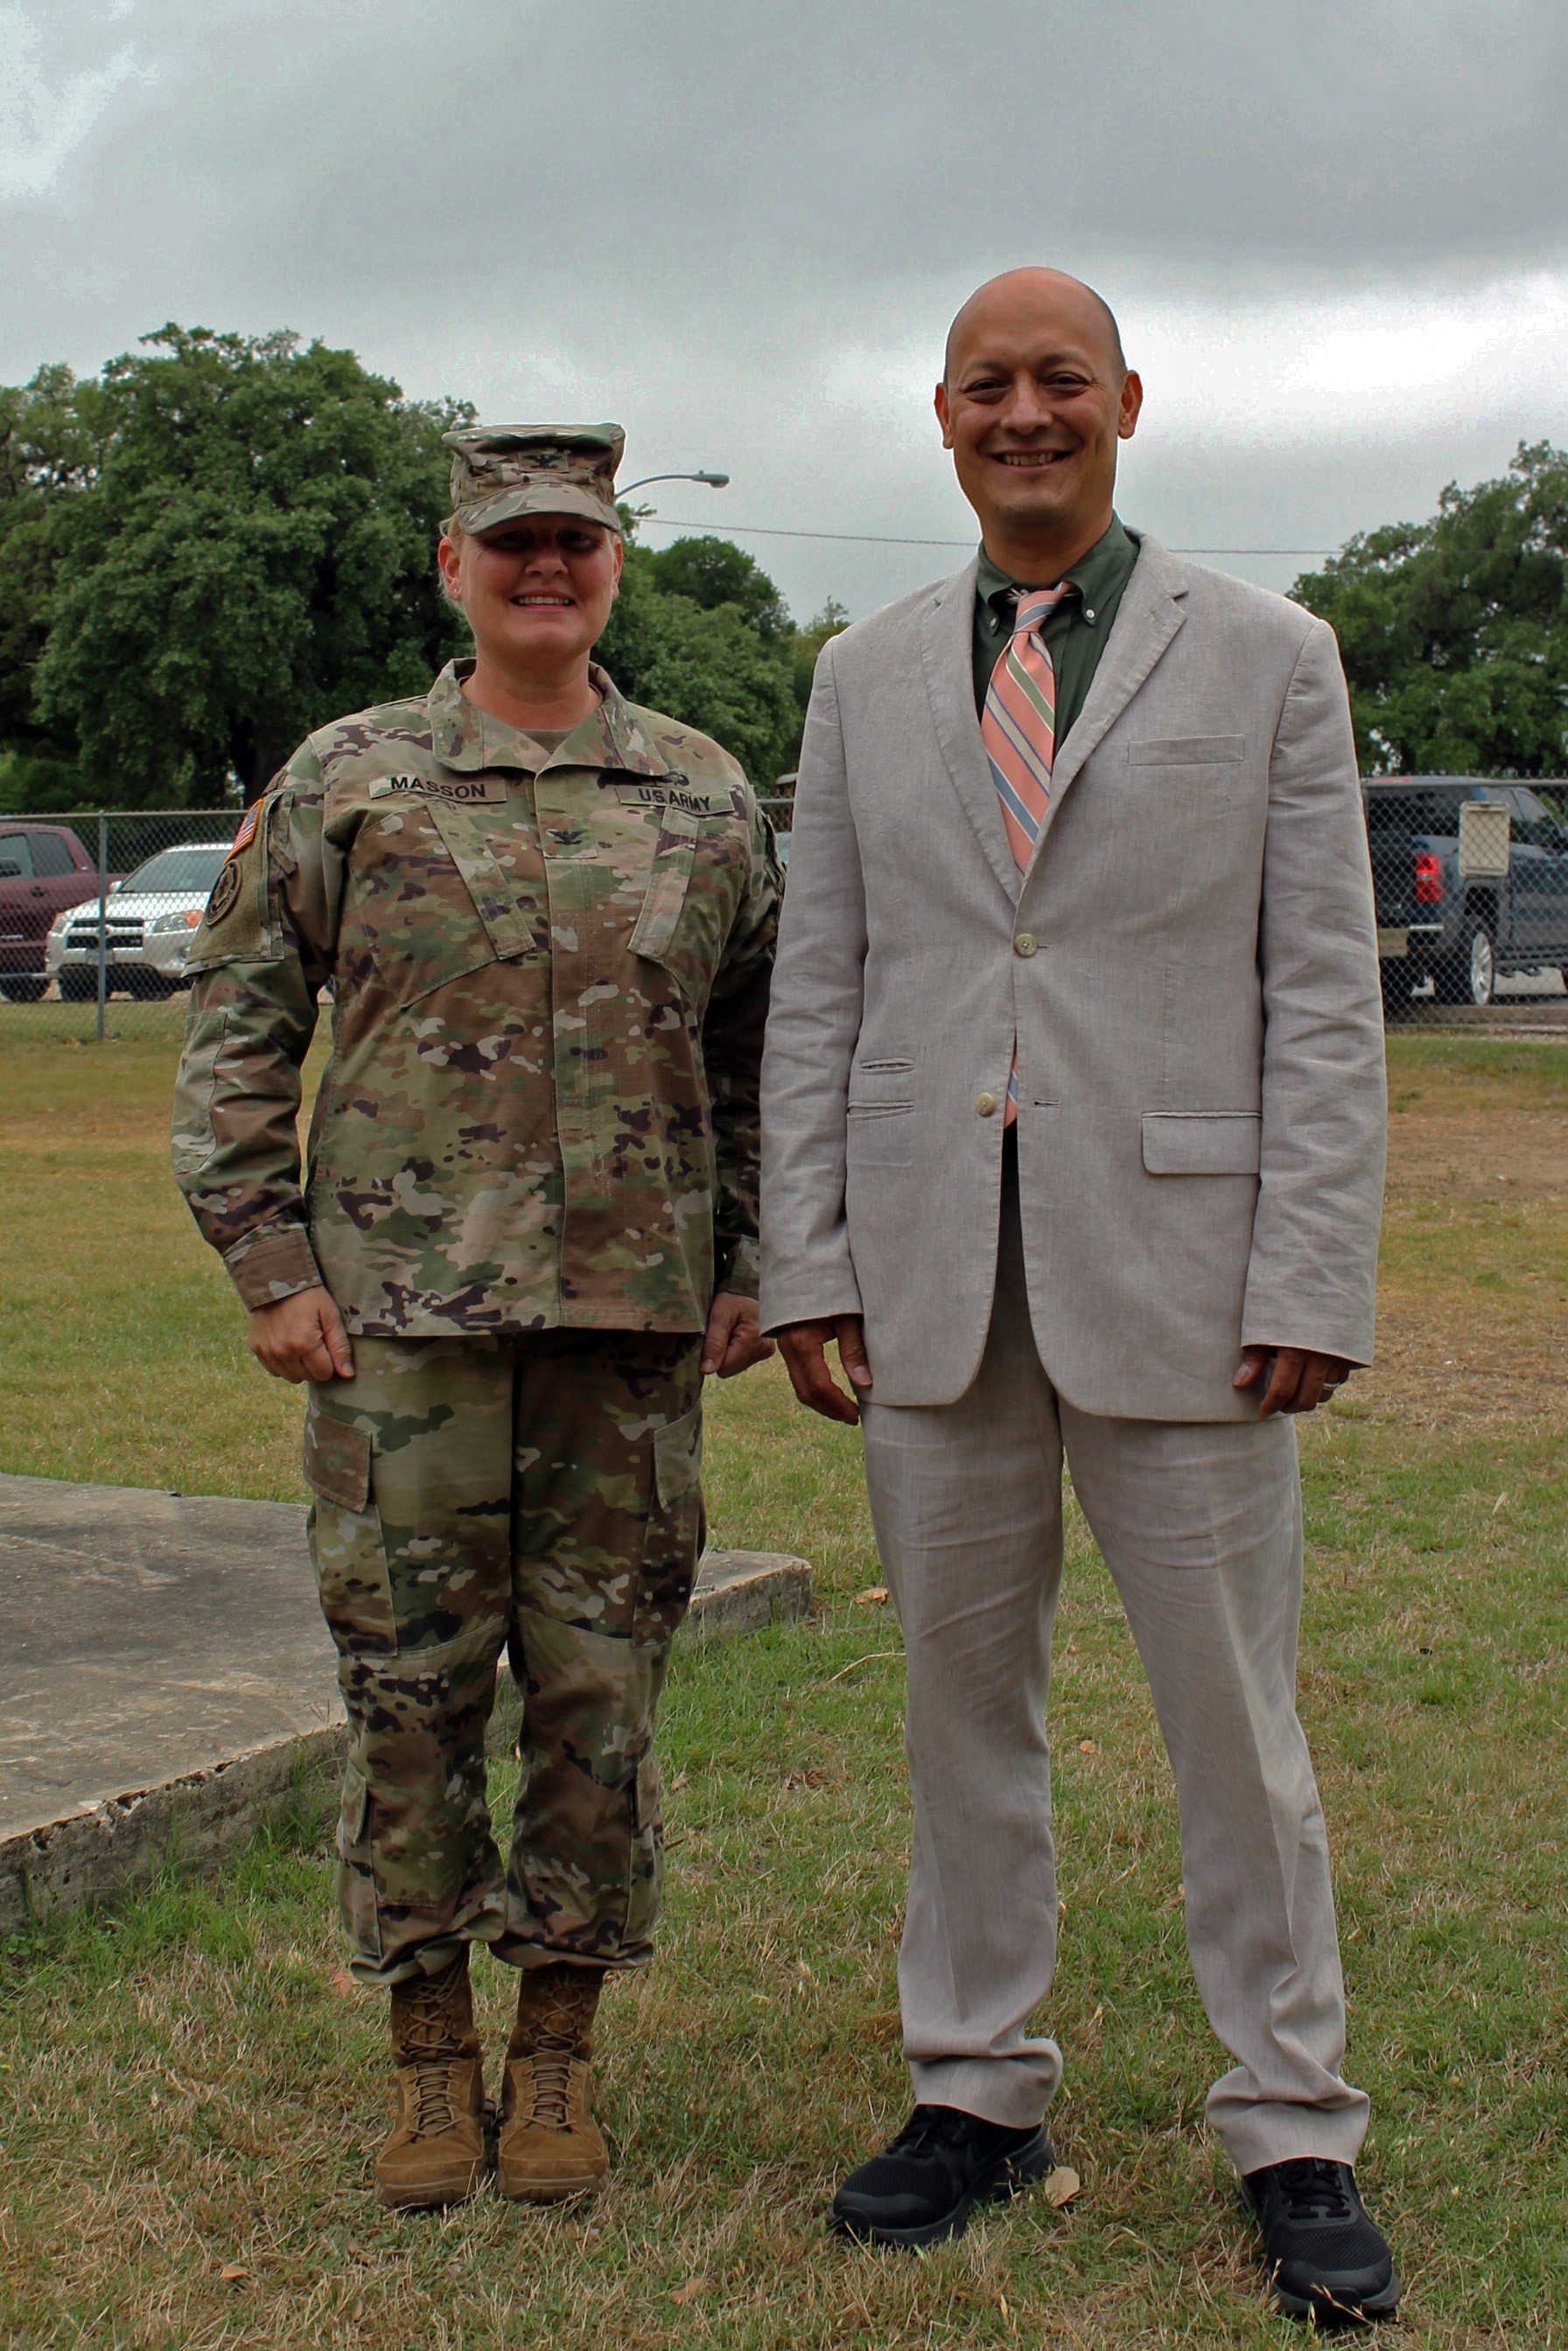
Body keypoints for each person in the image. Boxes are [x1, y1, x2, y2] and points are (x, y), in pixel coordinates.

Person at [760, 271, 1397, 2323]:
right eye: (985, 386)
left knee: (1236, 1729)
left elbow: (1320, 988)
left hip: (1190, 1274)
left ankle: (1289, 2118)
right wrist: (808, 1257)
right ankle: (974, 2087)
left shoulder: (1271, 654)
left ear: (1123, 400)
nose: (1022, 413)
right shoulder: (858, 675)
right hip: (932, 1268)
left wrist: (1308, 1259)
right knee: (961, 1717)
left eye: (1058, 382)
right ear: (937, 417)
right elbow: (825, 988)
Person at [172, 423, 779, 2212]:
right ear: (451, 565)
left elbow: (761, 1057)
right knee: (410, 1697)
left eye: (574, 545)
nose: (544, 568)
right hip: (402, 1344)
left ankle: (560, 2050)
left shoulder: (701, 793)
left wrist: (752, 1256)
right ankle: (432, 2052)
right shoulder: (351, 778)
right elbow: (235, 1034)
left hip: (627, 1345)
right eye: (509, 541)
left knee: (599, 1703)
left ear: (611, 571)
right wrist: (270, 1268)